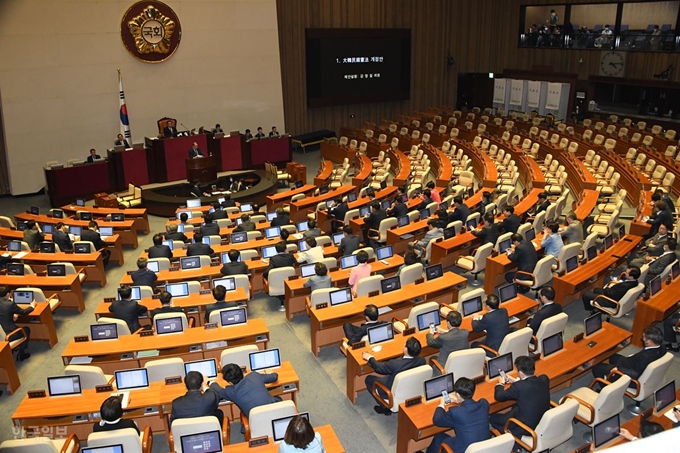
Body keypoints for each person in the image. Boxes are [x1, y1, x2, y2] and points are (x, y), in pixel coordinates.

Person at [363, 337, 426, 415]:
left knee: (369, 379)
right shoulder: (422, 360)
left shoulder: (395, 364)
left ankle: (384, 406)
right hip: (411, 387)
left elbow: (379, 368)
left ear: (405, 349)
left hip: (391, 389)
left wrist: (370, 358)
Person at [490, 356, 551, 437]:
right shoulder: (544, 378)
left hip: (527, 427)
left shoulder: (519, 387)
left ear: (521, 373)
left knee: (492, 418)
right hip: (542, 419)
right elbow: (530, 386)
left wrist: (500, 383)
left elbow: (499, 396)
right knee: (514, 408)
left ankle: (512, 438)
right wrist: (517, 381)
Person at [426, 377, 490, 453]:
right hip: (483, 447)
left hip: (465, 450)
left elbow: (437, 420)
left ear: (457, 395)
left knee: (438, 438)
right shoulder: (484, 404)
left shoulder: (456, 412)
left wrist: (441, 404)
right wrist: (460, 401)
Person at [209, 363, 281, 426]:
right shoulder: (254, 376)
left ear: (230, 382)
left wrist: (210, 382)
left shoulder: (231, 391)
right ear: (241, 372)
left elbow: (219, 391)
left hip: (257, 422)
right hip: (275, 414)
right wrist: (271, 372)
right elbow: (274, 377)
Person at [594, 325, 665, 380]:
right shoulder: (662, 348)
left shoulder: (645, 357)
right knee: (610, 355)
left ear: (649, 342)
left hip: (628, 374)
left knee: (596, 367)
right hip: (631, 362)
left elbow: (635, 374)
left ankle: (604, 386)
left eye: (644, 337)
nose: (642, 339)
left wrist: (618, 369)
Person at [0, 286, 35, 361]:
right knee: (26, 330)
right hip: (8, 335)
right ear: (7, 294)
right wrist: (32, 306)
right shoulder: (10, 304)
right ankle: (21, 354)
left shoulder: (7, 304)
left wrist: (11, 315)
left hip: (2, 331)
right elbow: (24, 312)